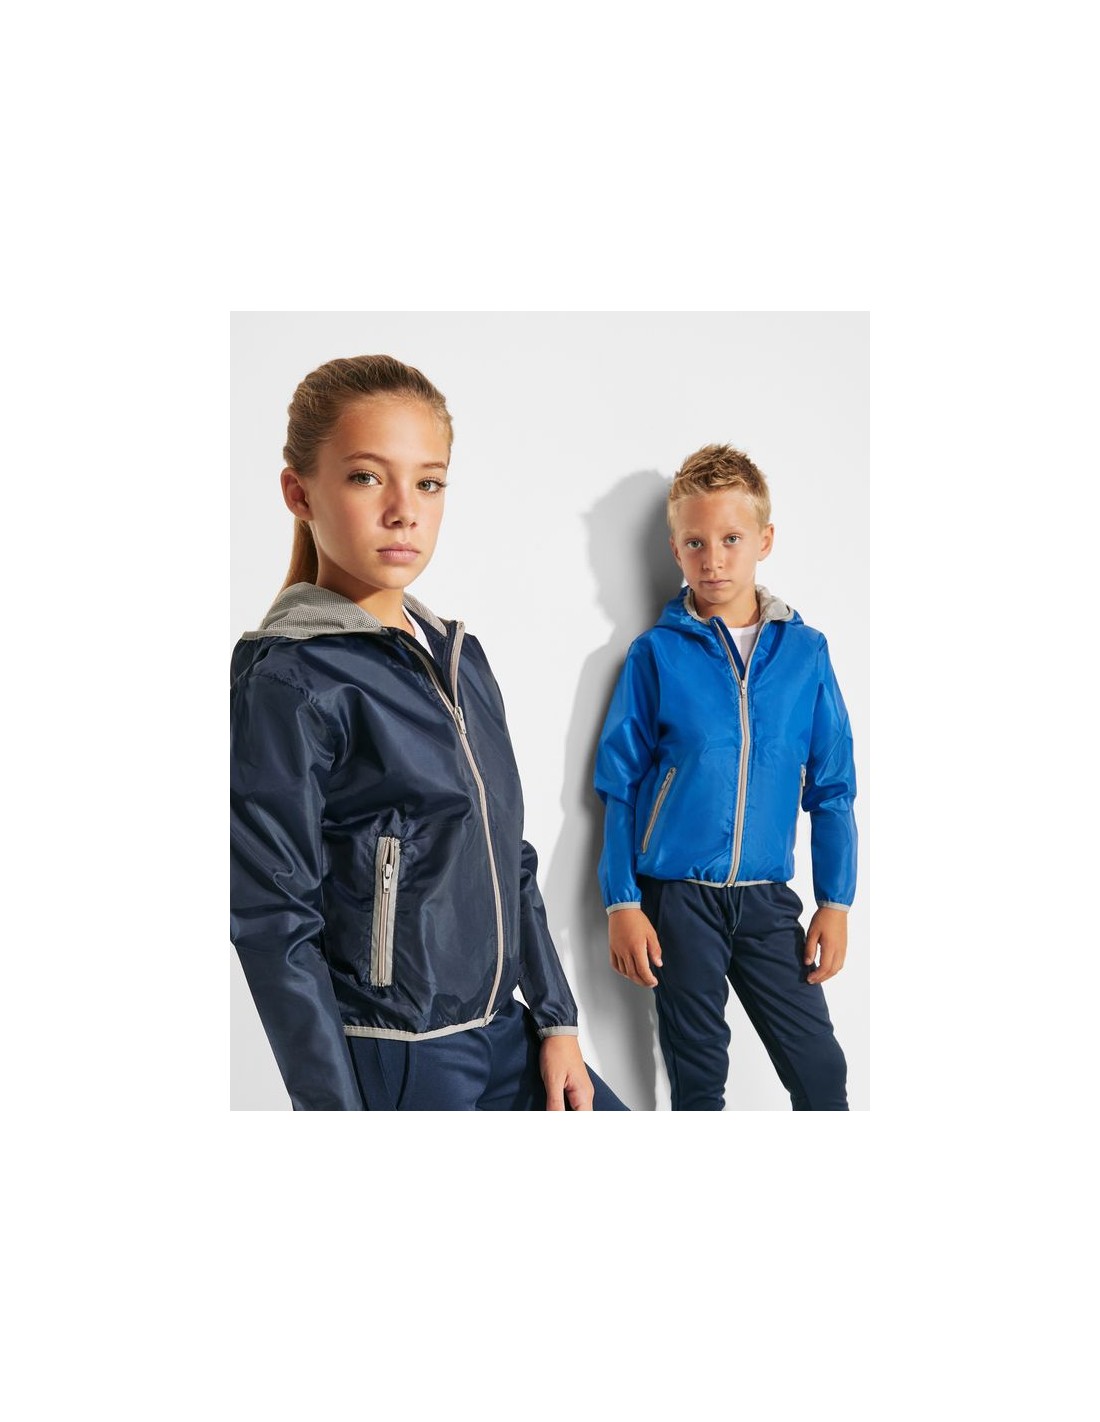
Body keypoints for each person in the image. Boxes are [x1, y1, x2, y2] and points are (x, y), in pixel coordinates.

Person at [231, 354, 626, 1111]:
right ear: (299, 492)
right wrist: (333, 1112)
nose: (403, 510)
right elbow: (273, 921)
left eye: (429, 482)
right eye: (366, 477)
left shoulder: (458, 656)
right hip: (401, 1056)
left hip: (504, 1033)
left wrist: (556, 1019)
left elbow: (508, 853)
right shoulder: (291, 681)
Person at [593, 443, 856, 1110]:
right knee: (700, 1078)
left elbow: (832, 788)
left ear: (764, 540)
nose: (713, 559)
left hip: (767, 901)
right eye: (695, 542)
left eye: (731, 539)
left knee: (821, 1072)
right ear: (675, 548)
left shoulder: (805, 653)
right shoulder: (656, 654)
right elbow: (618, 785)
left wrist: (836, 902)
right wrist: (622, 902)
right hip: (678, 900)